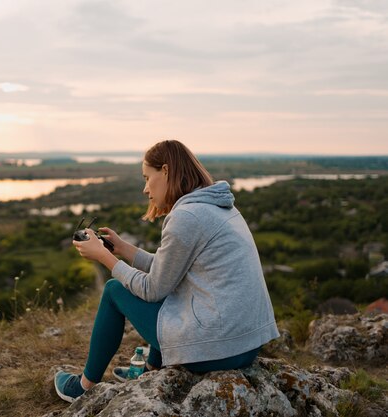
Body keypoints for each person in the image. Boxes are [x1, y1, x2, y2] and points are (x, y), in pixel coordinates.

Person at [54, 140, 280, 403]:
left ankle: (83, 386)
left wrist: (104, 258)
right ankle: (151, 370)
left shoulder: (186, 217)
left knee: (115, 290)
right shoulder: (216, 207)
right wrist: (123, 249)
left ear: (166, 171)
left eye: (148, 178)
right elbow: (168, 272)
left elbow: (153, 289)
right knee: (172, 293)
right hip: (246, 343)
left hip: (218, 347)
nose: (145, 188)